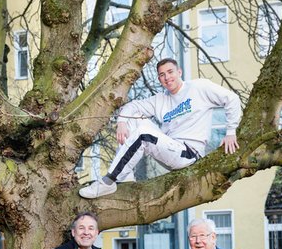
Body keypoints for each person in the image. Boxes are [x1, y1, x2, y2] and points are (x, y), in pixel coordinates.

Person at [79, 58, 241, 199]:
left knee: (143, 134)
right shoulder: (161, 99)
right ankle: (125, 178)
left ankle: (108, 181)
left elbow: (232, 99)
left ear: (179, 72)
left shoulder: (199, 87)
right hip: (170, 148)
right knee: (134, 120)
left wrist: (230, 132)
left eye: (170, 72)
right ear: (159, 79)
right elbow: (133, 106)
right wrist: (121, 122)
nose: (167, 77)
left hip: (189, 154)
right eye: (162, 75)